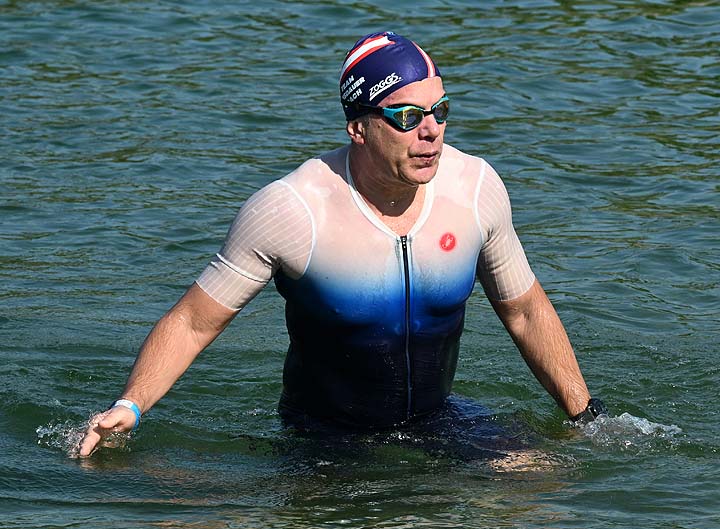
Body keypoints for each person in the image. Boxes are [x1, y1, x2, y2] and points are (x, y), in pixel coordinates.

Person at [79, 31, 607, 457]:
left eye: (440, 111)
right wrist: (130, 405)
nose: (431, 132)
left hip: (437, 420)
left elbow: (525, 311)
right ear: (359, 128)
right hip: (322, 437)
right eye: (407, 117)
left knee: (541, 483)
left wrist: (585, 416)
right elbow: (194, 321)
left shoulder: (475, 190)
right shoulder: (292, 210)